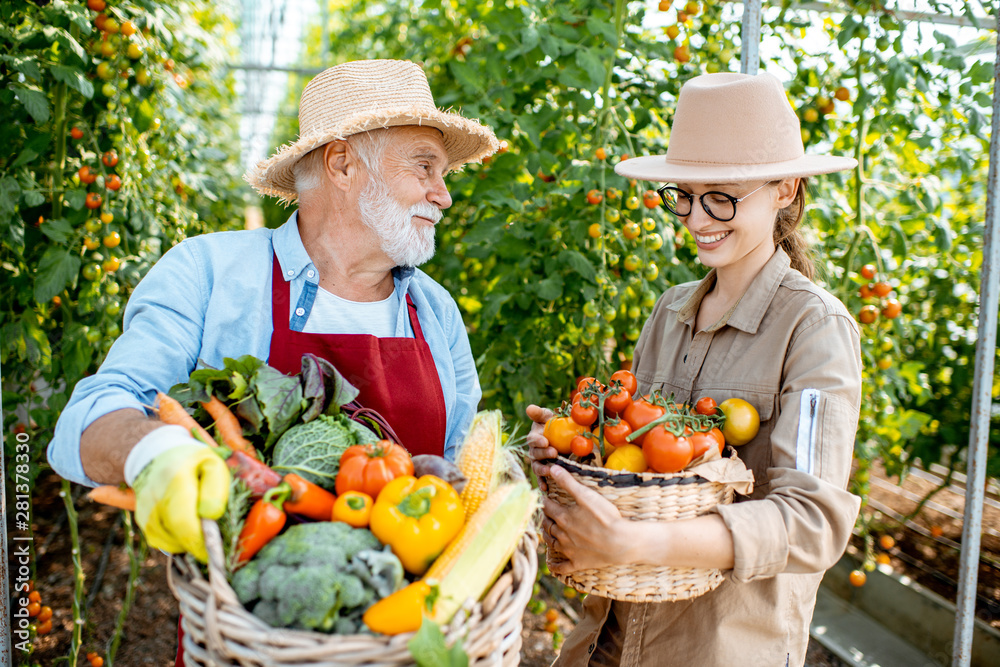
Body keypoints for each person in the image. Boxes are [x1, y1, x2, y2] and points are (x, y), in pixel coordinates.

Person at [49, 58, 497, 565]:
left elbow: (460, 467)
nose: (444, 195)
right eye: (424, 167)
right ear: (343, 164)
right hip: (246, 627)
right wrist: (154, 451)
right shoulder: (207, 273)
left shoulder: (435, 310)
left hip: (413, 626)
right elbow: (89, 417)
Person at [527, 72, 863, 666]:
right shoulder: (669, 312)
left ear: (785, 188)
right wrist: (574, 449)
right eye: (683, 194)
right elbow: (644, 462)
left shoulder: (814, 330)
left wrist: (639, 542)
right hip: (606, 638)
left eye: (722, 196)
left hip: (715, 649)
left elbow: (811, 522)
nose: (695, 218)